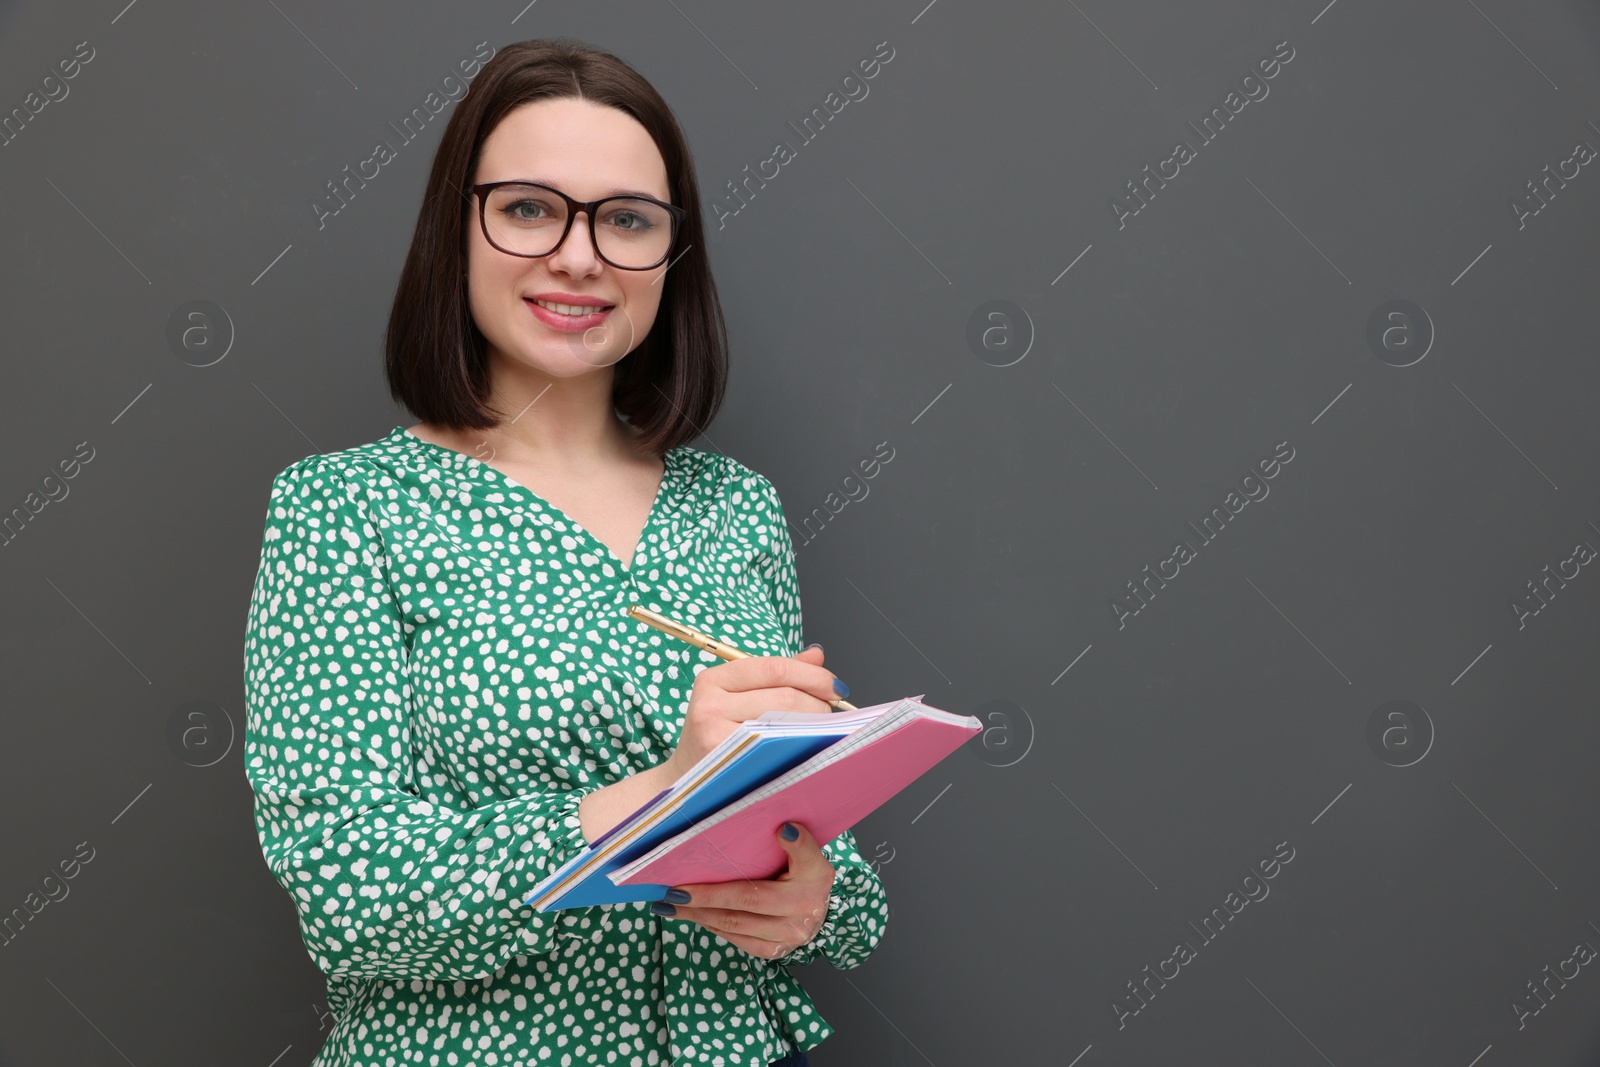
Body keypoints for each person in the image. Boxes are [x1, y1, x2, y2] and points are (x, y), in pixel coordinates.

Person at [241, 37, 889, 1067]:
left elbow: (830, 863)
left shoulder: (736, 509)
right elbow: (345, 888)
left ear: (671, 257)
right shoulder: (346, 507)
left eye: (626, 219)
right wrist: (655, 796)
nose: (580, 256)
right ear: (457, 229)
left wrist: (815, 892)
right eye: (531, 207)